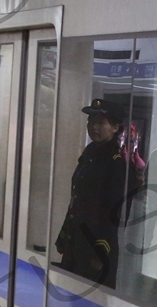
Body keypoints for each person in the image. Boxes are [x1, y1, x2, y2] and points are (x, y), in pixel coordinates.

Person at [55, 97, 138, 285]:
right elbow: (76, 200)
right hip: (76, 241)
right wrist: (65, 234)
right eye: (91, 121)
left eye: (101, 122)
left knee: (94, 304)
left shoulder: (116, 164)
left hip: (97, 247)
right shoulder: (89, 155)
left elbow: (115, 212)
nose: (94, 127)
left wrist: (101, 250)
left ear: (115, 127)